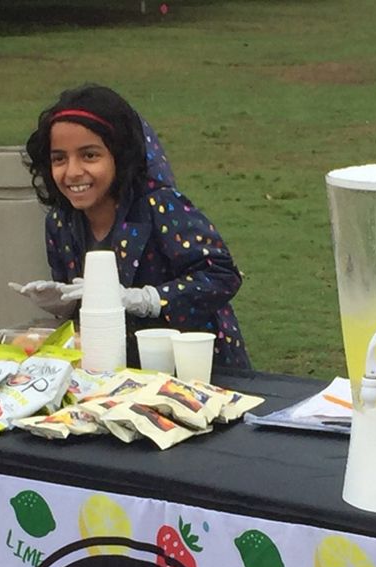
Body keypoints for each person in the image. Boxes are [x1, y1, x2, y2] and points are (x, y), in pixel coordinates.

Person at [13, 84, 251, 369]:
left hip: (195, 372)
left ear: (120, 155)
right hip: (112, 376)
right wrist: (63, 305)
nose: (73, 171)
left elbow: (222, 274)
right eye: (59, 158)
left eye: (89, 155)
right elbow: (86, 311)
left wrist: (147, 299)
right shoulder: (60, 222)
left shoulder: (160, 206)